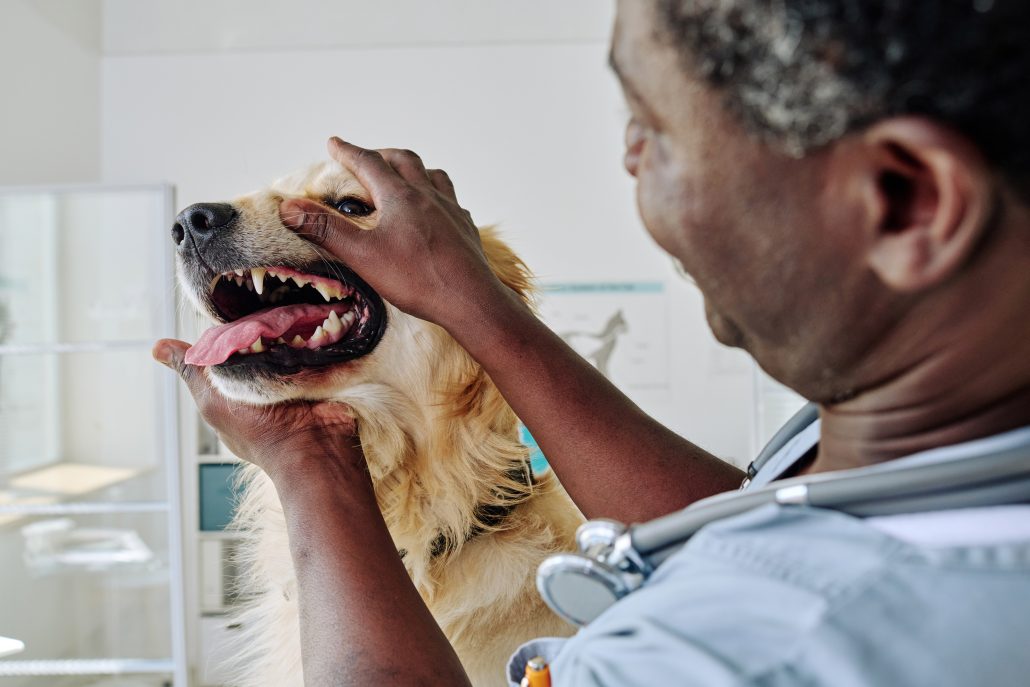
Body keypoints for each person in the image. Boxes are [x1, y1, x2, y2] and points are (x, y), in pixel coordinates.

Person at [153, 0, 1030, 684]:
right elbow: (732, 520)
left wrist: (310, 466)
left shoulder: (759, 654)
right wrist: (485, 309)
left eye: (657, 125)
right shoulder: (919, 440)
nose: (627, 160)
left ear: (906, 201)